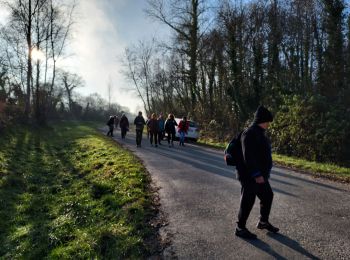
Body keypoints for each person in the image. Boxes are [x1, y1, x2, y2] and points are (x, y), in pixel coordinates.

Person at [235, 105, 279, 240]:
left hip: (260, 175)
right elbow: (248, 155)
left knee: (268, 196)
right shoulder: (250, 133)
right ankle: (240, 228)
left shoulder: (260, 132)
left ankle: (263, 222)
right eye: (268, 122)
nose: (269, 125)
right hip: (249, 175)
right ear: (263, 120)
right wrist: (256, 174)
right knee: (248, 200)